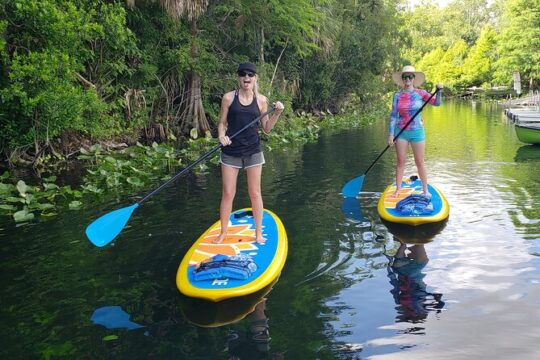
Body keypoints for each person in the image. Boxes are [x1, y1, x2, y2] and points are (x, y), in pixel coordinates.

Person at [214, 62, 284, 244]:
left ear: (255, 78)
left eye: (250, 74)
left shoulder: (261, 100)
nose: (247, 77)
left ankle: (258, 233)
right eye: (243, 74)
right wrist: (221, 135)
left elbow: (267, 128)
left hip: (253, 150)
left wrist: (277, 113)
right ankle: (223, 233)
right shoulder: (229, 98)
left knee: (255, 193)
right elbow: (222, 123)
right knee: (228, 193)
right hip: (231, 151)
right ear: (238, 77)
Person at [388, 65, 443, 197]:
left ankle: (425, 190)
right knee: (400, 162)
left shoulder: (421, 93)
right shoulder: (397, 96)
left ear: (414, 78)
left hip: (417, 132)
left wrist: (439, 91)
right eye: (405, 76)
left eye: (410, 76)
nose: (407, 79)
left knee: (420, 162)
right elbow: (394, 115)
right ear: (402, 79)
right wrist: (391, 135)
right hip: (401, 132)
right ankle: (398, 189)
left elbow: (437, 103)